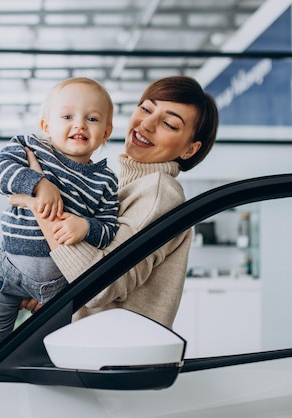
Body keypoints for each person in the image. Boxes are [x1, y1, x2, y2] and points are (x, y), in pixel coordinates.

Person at [12, 75, 219, 328]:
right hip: (95, 353)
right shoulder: (119, 185)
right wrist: (53, 295)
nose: (147, 124)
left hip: (109, 359)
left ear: (189, 150)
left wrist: (40, 201)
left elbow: (102, 286)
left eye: (169, 123)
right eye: (146, 108)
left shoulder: (159, 192)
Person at [0, 77, 120, 367]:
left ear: (106, 132)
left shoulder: (106, 181)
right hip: (9, 274)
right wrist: (38, 183)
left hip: (58, 288)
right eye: (67, 116)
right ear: (46, 126)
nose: (79, 125)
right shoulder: (30, 148)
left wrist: (86, 226)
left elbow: (110, 228)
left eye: (92, 118)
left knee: (49, 355)